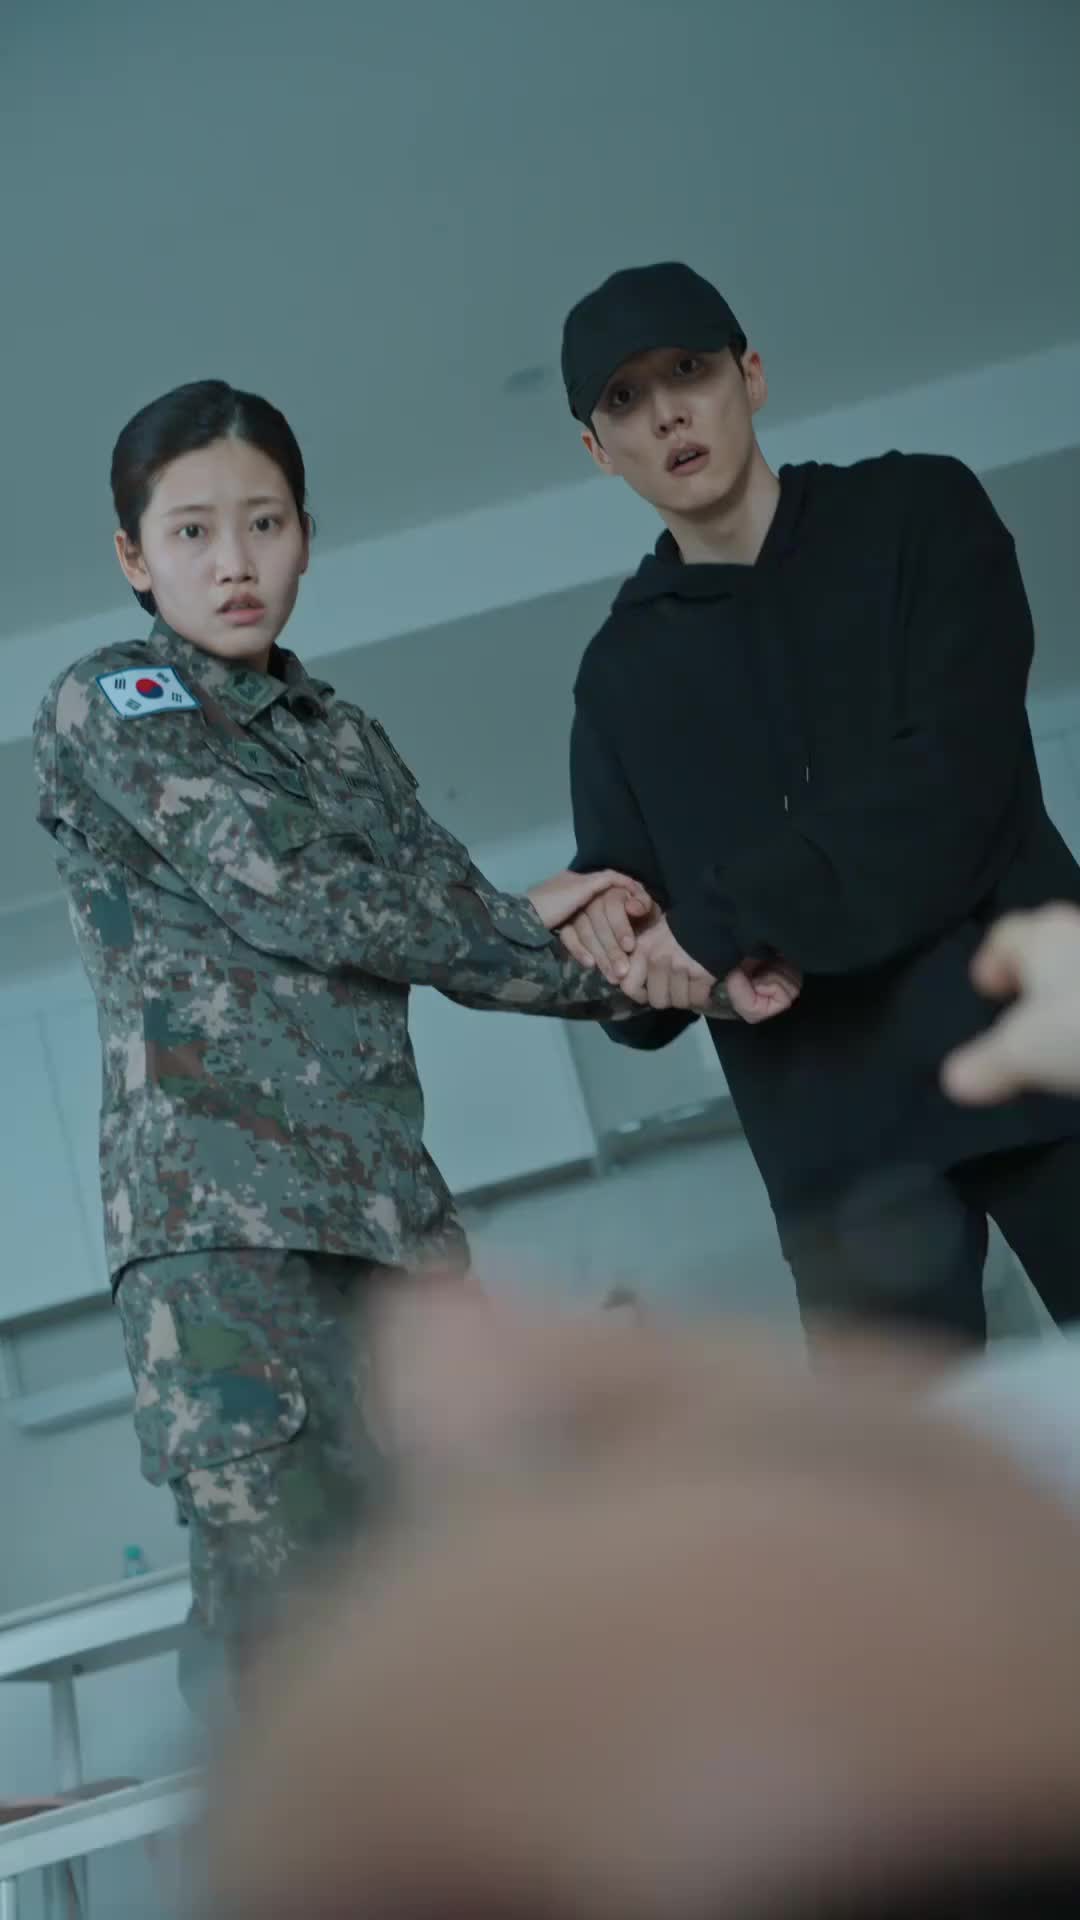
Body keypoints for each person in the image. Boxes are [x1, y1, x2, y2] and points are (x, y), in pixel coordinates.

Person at [32, 378, 801, 1695]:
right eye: (193, 532)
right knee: (289, 1645)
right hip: (231, 1247)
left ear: (307, 538)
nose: (234, 563)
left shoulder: (344, 739)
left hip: (396, 1237)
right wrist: (514, 914)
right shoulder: (115, 701)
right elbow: (303, 897)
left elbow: (466, 935)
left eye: (265, 524)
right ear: (134, 558)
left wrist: (701, 980)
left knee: (459, 1617)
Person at [556, 259, 1080, 1346]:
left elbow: (953, 776)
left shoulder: (920, 511)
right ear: (598, 450)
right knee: (898, 1459)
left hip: (1043, 1050)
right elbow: (642, 955)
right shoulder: (616, 678)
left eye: (689, 371)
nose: (668, 415)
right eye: (625, 399)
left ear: (749, 375)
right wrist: (621, 948)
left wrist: (715, 922)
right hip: (837, 1151)